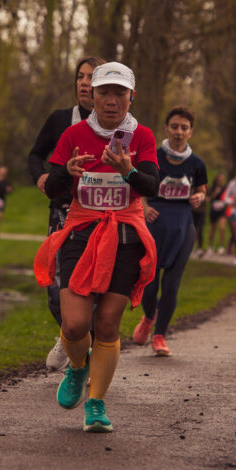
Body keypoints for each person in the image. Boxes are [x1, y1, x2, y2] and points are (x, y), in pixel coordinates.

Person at [34, 61, 159, 432]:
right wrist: (64, 172)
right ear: (92, 96)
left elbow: (152, 186)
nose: (111, 100)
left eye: (119, 93)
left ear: (131, 97)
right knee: (74, 325)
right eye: (104, 92)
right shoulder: (73, 134)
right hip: (81, 232)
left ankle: (97, 403)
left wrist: (128, 171)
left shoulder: (143, 137)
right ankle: (76, 366)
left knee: (106, 324)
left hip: (124, 235)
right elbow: (53, 190)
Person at [28, 55, 106, 370]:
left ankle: (85, 352)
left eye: (92, 78)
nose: (85, 83)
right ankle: (70, 336)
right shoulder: (61, 120)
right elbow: (36, 154)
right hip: (62, 212)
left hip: (100, 216)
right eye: (81, 77)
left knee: (95, 289)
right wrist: (40, 176)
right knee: (55, 287)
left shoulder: (117, 124)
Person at [132, 106, 206, 356]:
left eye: (184, 127)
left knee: (172, 284)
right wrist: (144, 206)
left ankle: (160, 336)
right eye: (174, 126)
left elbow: (203, 189)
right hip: (154, 222)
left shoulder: (197, 163)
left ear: (191, 132)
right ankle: (149, 317)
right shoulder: (153, 155)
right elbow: (138, 184)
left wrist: (199, 197)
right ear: (166, 128)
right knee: (149, 282)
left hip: (183, 224)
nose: (178, 131)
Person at [206, 172, 229, 254]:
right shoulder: (212, 188)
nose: (221, 180)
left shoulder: (225, 188)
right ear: (217, 179)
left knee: (222, 228)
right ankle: (210, 246)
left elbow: (227, 197)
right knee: (213, 229)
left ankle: (221, 247)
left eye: (222, 179)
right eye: (220, 179)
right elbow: (209, 199)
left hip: (222, 210)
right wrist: (215, 193)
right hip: (214, 210)